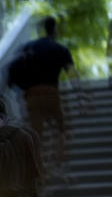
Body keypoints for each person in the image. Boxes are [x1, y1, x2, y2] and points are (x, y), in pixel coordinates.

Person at [5, 16, 81, 185]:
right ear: (54, 29)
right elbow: (72, 75)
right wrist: (81, 95)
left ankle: (41, 176)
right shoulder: (59, 49)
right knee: (62, 130)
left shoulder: (28, 48)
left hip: (31, 96)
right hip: (51, 94)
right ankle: (58, 164)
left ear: (41, 30)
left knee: (36, 136)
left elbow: (10, 69)